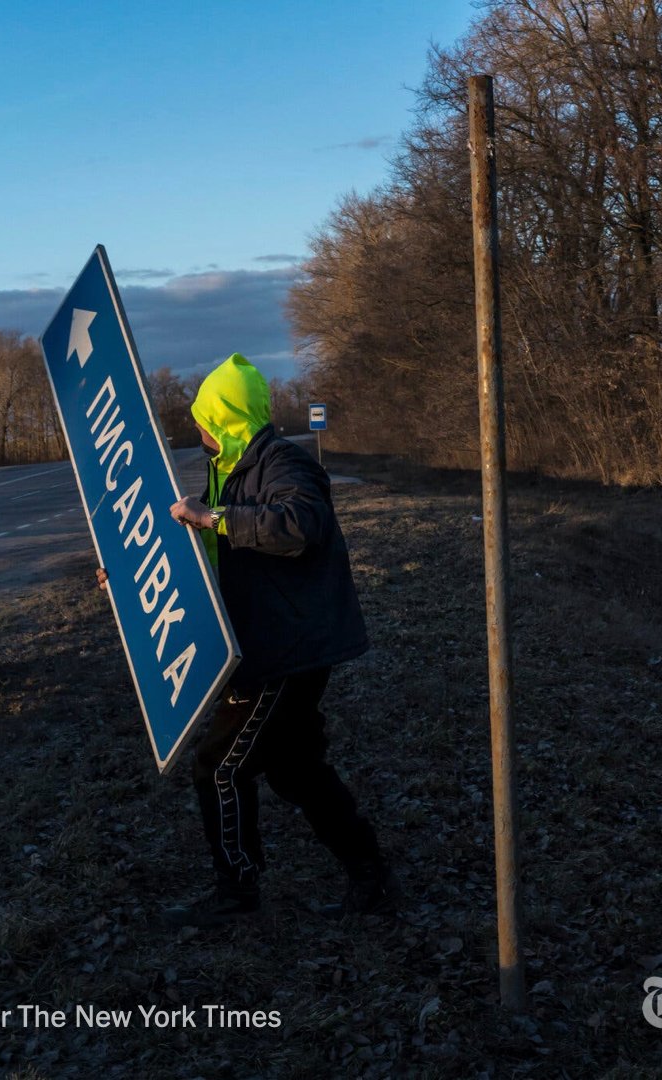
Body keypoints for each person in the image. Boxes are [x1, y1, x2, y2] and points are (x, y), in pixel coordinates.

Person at [99, 353, 399, 926]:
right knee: (295, 768)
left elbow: (299, 527)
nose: (199, 432)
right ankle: (372, 877)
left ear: (228, 416)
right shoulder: (233, 472)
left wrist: (213, 517)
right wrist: (129, 577)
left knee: (218, 766)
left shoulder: (283, 463)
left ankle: (237, 893)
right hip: (270, 642)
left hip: (285, 648)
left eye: (205, 420)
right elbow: (210, 557)